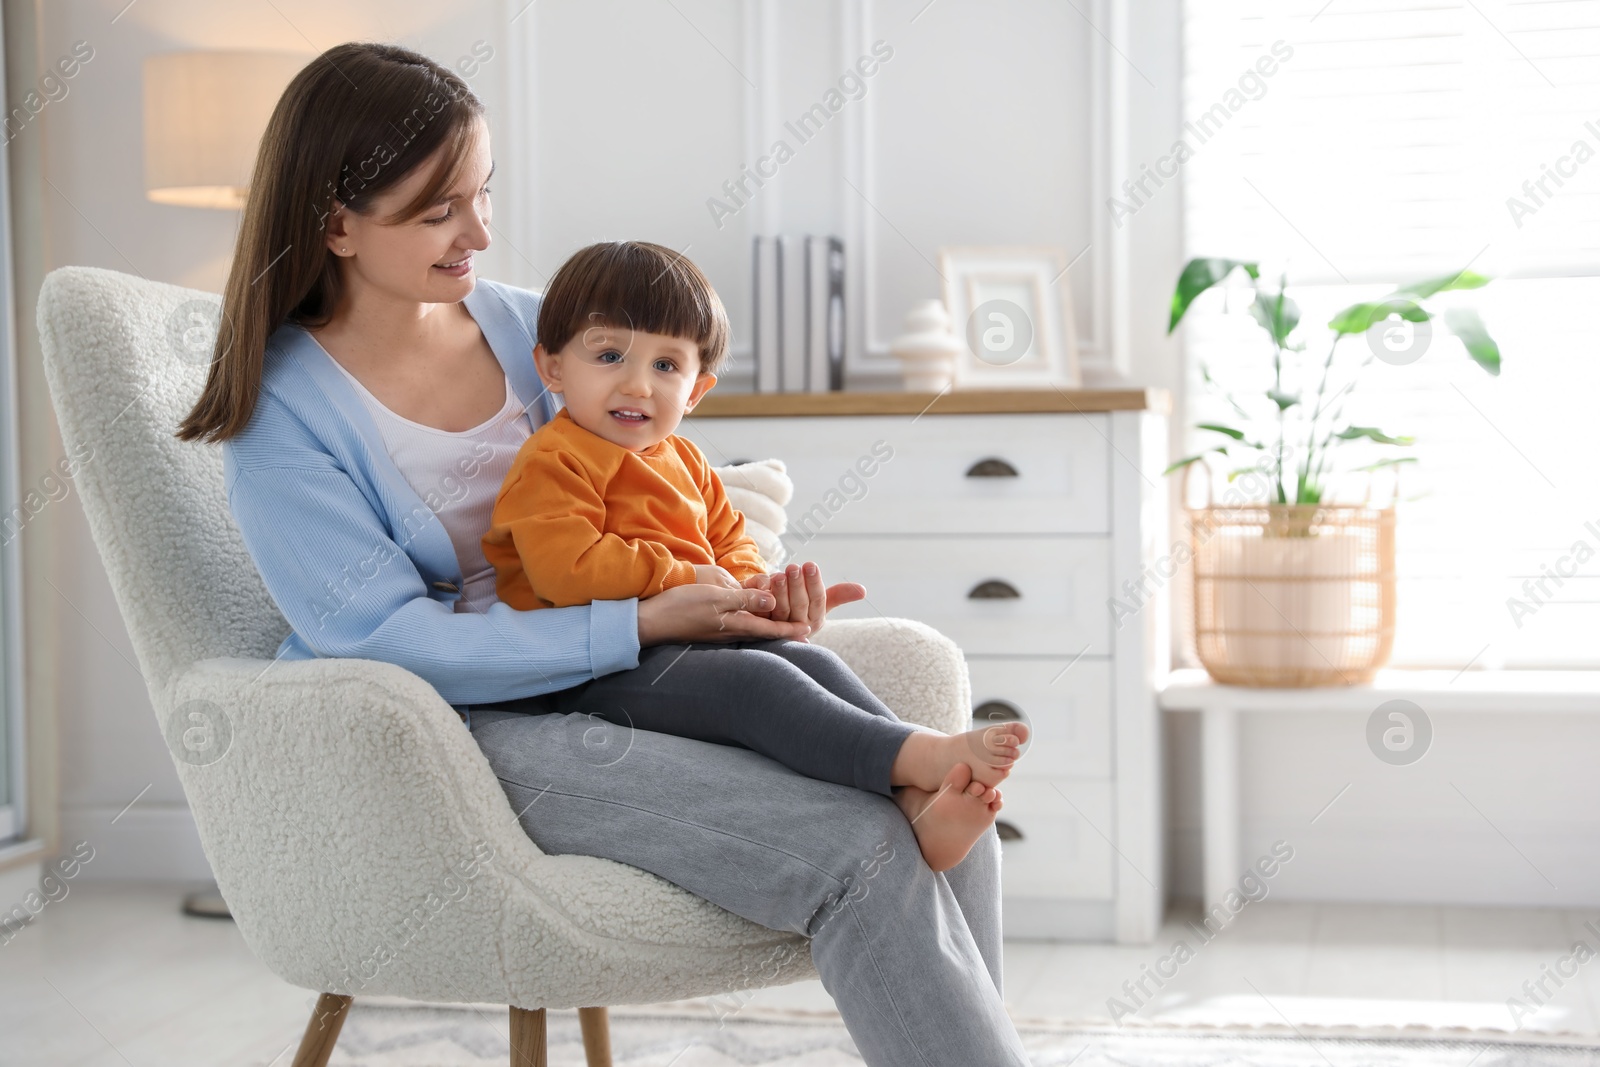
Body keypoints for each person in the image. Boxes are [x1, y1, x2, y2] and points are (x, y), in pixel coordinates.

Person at [177, 41, 1034, 1066]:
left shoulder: (533, 329)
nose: (480, 232)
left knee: (941, 806)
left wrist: (743, 593)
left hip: (618, 670)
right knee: (857, 851)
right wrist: (638, 619)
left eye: (482, 193)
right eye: (438, 208)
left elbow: (659, 480)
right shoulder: (281, 418)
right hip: (451, 732)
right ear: (335, 223)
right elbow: (384, 635)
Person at [481, 239, 1031, 872]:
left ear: (696, 391)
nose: (637, 384)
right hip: (593, 668)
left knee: (806, 663)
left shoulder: (686, 460)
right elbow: (566, 569)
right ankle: (921, 756)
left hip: (687, 646)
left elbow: (732, 539)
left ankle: (914, 794)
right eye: (609, 356)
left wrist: (756, 591)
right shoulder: (554, 461)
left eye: (666, 367)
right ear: (552, 369)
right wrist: (688, 579)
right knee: (757, 684)